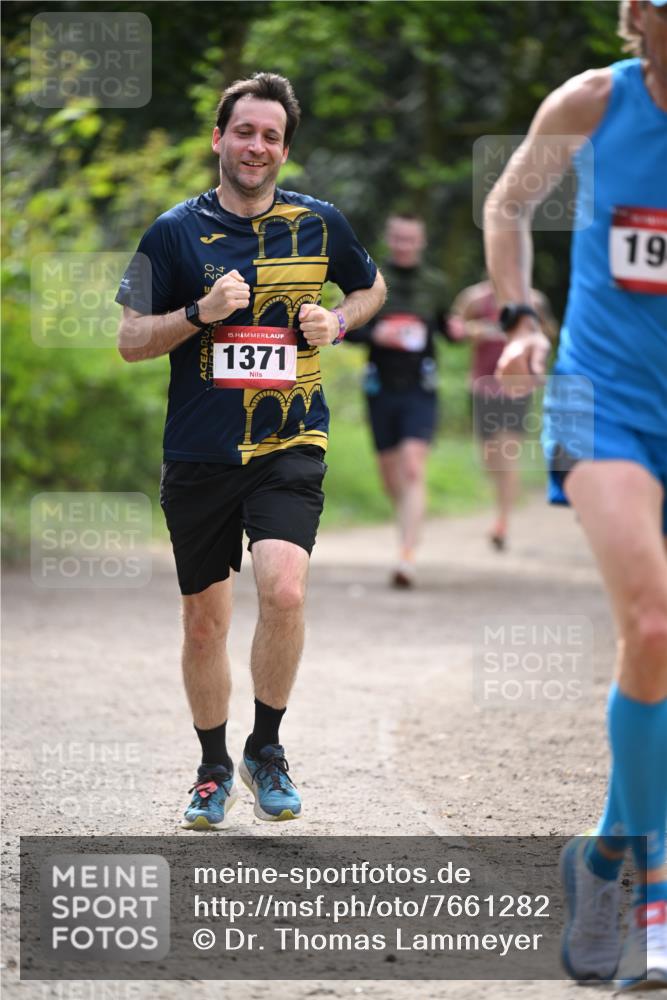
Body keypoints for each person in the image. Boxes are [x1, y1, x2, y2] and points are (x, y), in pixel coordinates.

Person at [116, 72, 386, 830]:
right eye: (244, 131)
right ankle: (212, 767)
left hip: (289, 439)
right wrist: (199, 313)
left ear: (284, 149)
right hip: (200, 451)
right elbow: (131, 339)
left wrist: (339, 320)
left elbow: (370, 288)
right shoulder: (171, 233)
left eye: (270, 135)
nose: (256, 146)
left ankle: (266, 751)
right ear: (218, 138)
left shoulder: (320, 224)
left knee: (285, 589)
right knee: (205, 622)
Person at [484, 0, 667, 988]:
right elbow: (507, 204)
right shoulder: (595, 103)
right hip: (605, 403)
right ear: (637, 14)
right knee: (650, 623)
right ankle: (651, 892)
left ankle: (599, 853)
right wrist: (521, 315)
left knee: (660, 649)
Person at [345, 214, 448, 588]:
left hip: (421, 387)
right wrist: (378, 334)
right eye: (399, 239)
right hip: (380, 387)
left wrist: (458, 328)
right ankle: (405, 517)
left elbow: (445, 327)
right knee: (391, 473)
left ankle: (407, 556)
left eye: (411, 239)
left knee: (413, 467)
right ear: (390, 239)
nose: (405, 245)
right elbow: (347, 330)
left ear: (421, 241)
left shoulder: (435, 283)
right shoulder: (370, 280)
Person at [448, 279, 556, 551]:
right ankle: (501, 505)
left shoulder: (533, 300)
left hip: (517, 388)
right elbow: (454, 328)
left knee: (507, 453)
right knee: (489, 457)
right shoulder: (474, 297)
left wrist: (527, 333)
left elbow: (550, 331)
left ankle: (502, 522)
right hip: (483, 387)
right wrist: (476, 330)